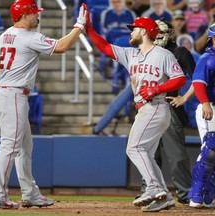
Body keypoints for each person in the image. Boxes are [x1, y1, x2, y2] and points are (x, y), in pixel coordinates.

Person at [85, 4, 186, 211]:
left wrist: (158, 89)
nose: (131, 31)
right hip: (145, 109)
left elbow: (180, 79)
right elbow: (104, 46)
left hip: (155, 107)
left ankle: (154, 187)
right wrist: (87, 27)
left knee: (134, 148)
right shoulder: (131, 54)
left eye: (134, 28)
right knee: (145, 154)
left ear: (144, 32)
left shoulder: (163, 54)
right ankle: (164, 196)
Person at [0, 0, 87, 209]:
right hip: (13, 95)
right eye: (34, 13)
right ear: (24, 16)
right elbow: (62, 46)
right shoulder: (28, 37)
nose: (37, 16)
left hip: (6, 93)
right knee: (10, 147)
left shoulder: (4, 35)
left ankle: (30, 193)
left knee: (25, 147)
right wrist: (79, 26)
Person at [139, 19, 195, 205]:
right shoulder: (147, 51)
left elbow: (199, 79)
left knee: (176, 154)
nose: (158, 36)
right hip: (149, 106)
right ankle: (148, 191)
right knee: (149, 153)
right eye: (156, 32)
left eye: (161, 33)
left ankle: (186, 194)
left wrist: (184, 98)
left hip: (170, 105)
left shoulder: (180, 52)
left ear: (169, 34)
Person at [184, 23, 215, 208]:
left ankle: (209, 195)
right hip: (210, 106)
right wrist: (204, 102)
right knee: (211, 150)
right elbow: (198, 83)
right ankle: (196, 194)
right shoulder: (208, 58)